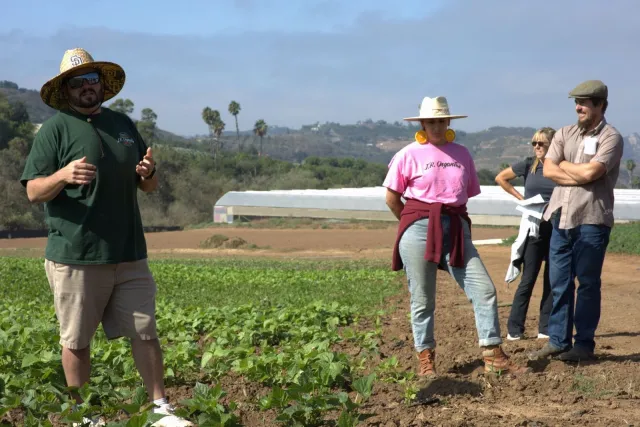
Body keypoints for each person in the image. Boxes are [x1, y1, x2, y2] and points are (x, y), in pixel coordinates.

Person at [20, 48, 191, 427]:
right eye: (77, 82)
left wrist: (147, 172)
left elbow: (149, 186)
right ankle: (81, 416)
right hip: (77, 254)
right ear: (66, 90)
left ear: (102, 84)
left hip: (129, 251)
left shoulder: (123, 124)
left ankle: (160, 409)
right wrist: (62, 176)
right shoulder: (54, 130)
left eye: (91, 80)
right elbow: (33, 191)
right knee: (77, 339)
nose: (86, 87)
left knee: (145, 331)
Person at [383, 95, 530, 377]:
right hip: (419, 227)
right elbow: (392, 199)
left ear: (448, 121)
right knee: (422, 299)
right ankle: (426, 360)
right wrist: (413, 223)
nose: (436, 126)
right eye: (431, 121)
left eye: (441, 120)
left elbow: (465, 195)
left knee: (484, 290)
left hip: (455, 227)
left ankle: (492, 354)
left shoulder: (462, 154)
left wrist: (452, 224)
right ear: (423, 123)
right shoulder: (407, 154)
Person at [528, 80, 623, 363]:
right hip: (560, 217)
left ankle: (583, 344)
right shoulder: (564, 133)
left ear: (600, 105)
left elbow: (591, 173)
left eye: (584, 102)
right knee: (559, 282)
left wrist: (566, 166)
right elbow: (549, 169)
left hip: (592, 219)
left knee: (589, 283)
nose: (578, 107)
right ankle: (558, 341)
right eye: (576, 102)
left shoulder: (611, 137)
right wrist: (576, 171)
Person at [495, 127, 557, 340]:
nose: (537, 147)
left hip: (557, 226)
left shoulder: (560, 166)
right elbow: (501, 178)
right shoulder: (529, 164)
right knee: (528, 278)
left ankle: (545, 328)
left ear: (553, 144)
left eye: (542, 143)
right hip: (534, 227)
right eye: (534, 143)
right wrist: (522, 200)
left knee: (552, 278)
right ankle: (514, 329)